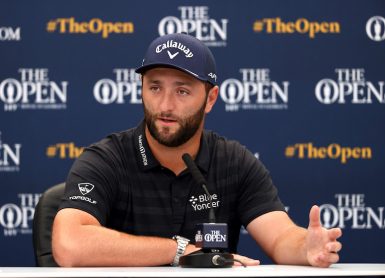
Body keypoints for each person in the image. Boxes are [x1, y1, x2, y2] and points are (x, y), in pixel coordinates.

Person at [52, 33, 342, 267]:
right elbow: (69, 244)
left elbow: (281, 238)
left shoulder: (233, 161)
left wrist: (306, 247)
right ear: (141, 88)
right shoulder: (106, 159)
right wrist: (179, 250)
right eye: (154, 88)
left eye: (182, 91)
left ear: (210, 98)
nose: (165, 105)